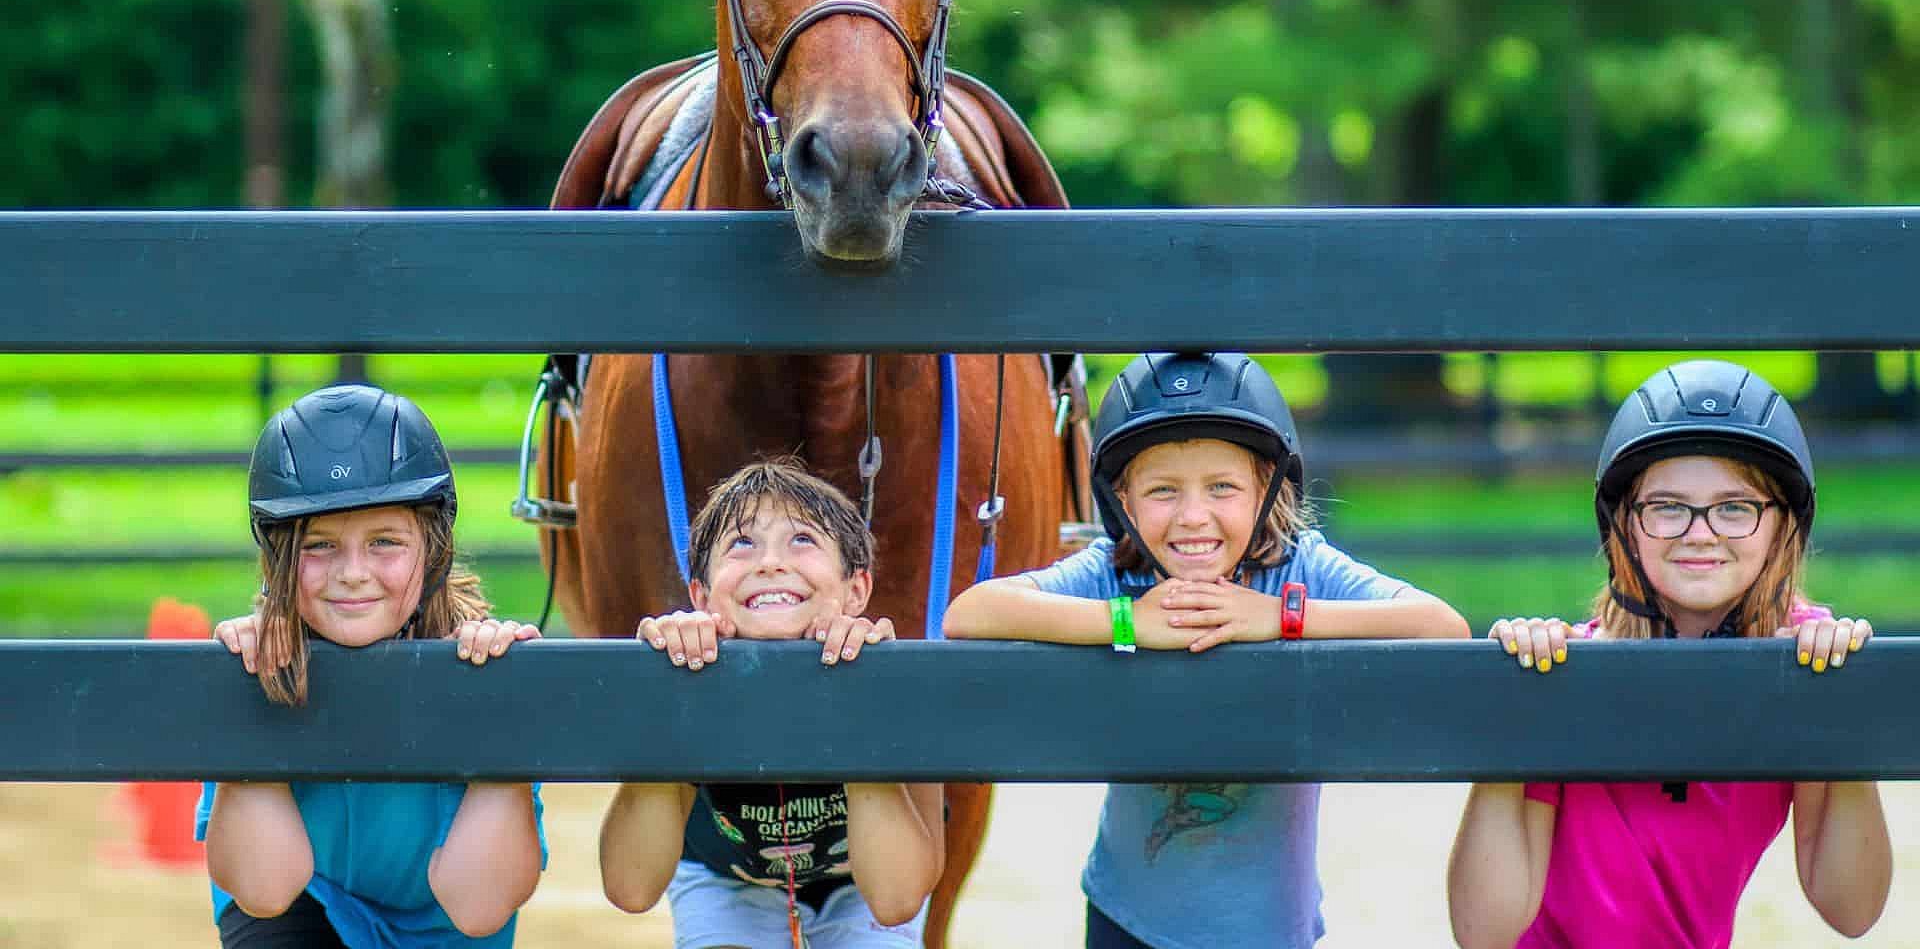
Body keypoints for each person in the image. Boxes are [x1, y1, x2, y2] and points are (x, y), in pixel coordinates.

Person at [942, 351, 1471, 949]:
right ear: (1124, 499)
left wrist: (1280, 618)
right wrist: (1128, 623)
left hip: (1273, 929)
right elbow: (970, 614)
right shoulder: (1118, 574)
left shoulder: (1299, 568)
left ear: (1266, 491)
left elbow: (1443, 627)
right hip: (1127, 920)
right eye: (1164, 490)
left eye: (1222, 487)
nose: (1194, 517)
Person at [1447, 358, 1892, 949]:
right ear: (1624, 527)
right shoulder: (1565, 670)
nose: (1700, 532)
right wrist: (1515, 709)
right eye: (1667, 507)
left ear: (1782, 527)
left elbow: (1851, 909)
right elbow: (1485, 932)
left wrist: (1843, 706)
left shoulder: (1802, 664)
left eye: (1736, 507)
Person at [197, 383, 546, 947]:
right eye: (320, 546)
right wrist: (257, 690)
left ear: (433, 549)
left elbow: (478, 907)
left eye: (384, 541)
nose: (353, 573)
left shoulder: (478, 667)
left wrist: (499, 710)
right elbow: (264, 891)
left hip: (442, 921)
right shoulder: (253, 661)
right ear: (277, 559)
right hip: (310, 898)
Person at [599, 457, 943, 948]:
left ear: (856, 590)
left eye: (802, 540)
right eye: (741, 544)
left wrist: (864, 697)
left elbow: (895, 901)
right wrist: (666, 694)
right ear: (701, 596)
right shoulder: (681, 679)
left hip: (863, 880)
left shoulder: (896, 682)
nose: (769, 563)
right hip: (724, 874)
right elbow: (631, 889)